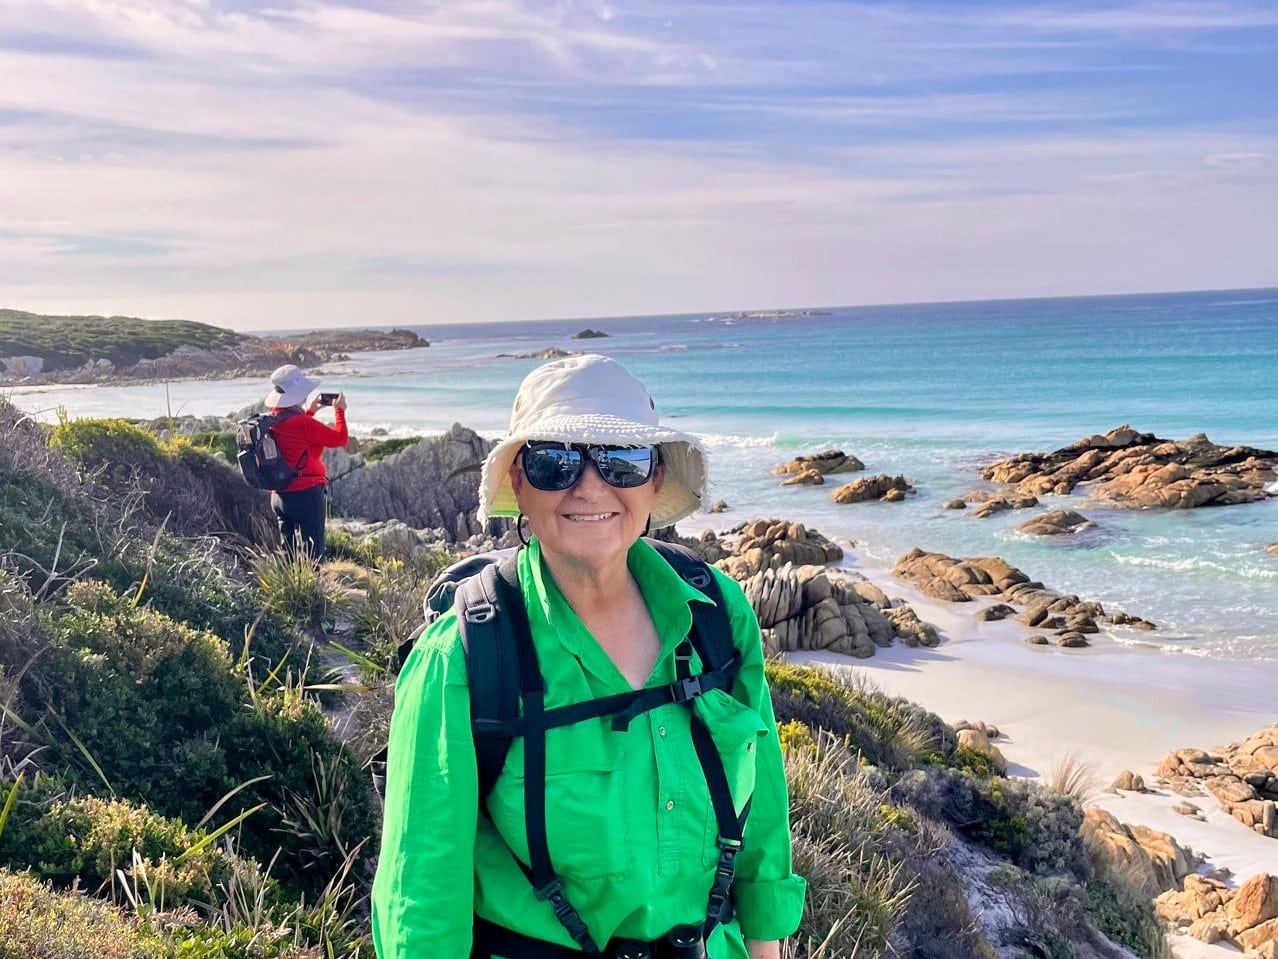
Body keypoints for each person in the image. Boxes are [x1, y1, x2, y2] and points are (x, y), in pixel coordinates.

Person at [372, 354, 805, 959]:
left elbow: (764, 809)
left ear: (654, 481)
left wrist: (767, 948)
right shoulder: (463, 657)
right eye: (555, 461)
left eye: (621, 458)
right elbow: (421, 897)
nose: (591, 486)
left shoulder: (715, 614)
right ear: (518, 484)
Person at [261, 363, 348, 560]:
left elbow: (294, 440)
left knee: (288, 554)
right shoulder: (303, 424)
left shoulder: (273, 419)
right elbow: (340, 438)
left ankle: (289, 588)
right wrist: (339, 411)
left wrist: (310, 411)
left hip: (279, 495)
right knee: (313, 554)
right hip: (305, 495)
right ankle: (312, 590)